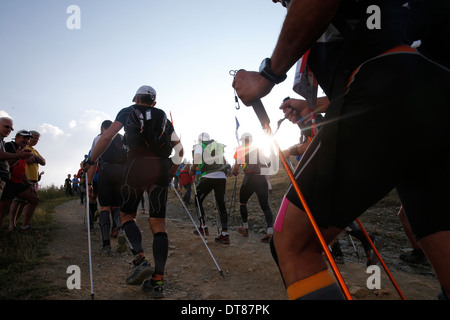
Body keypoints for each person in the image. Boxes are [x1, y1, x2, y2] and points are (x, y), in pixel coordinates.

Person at [232, 0, 450, 300]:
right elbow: (377, 55)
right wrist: (314, 106)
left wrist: (266, 76)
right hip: (429, 89)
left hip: (384, 90)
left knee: (293, 244)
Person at [82, 85, 183, 298]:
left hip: (136, 165)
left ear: (136, 98)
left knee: (127, 215)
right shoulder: (163, 116)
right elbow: (179, 149)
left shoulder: (128, 111)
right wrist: (172, 170)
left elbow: (107, 137)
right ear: (154, 102)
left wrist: (91, 160)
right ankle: (157, 282)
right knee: (158, 223)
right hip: (161, 167)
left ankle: (139, 258)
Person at [87, 120, 128, 256]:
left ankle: (106, 245)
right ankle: (121, 230)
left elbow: (94, 161)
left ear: (102, 128)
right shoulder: (122, 138)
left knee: (104, 208)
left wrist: (89, 182)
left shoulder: (100, 138)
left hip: (107, 171)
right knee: (116, 206)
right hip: (122, 174)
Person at [232, 133, 274, 243]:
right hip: (261, 179)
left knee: (243, 203)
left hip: (249, 179)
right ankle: (270, 232)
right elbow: (269, 163)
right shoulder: (258, 149)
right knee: (265, 206)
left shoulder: (241, 149)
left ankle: (245, 228)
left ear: (242, 140)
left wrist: (234, 172)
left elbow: (236, 166)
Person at [190, 132, 231, 244]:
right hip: (221, 177)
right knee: (221, 205)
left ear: (200, 140)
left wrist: (193, 170)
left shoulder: (199, 146)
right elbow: (225, 161)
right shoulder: (217, 146)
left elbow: (197, 158)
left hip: (208, 176)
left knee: (198, 200)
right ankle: (225, 234)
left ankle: (203, 226)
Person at [0, 130, 39, 232]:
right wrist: (19, 156)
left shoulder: (23, 150)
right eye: (24, 138)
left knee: (34, 199)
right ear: (16, 137)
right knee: (3, 209)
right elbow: (7, 165)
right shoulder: (9, 146)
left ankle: (25, 226)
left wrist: (29, 185)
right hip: (8, 182)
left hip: (19, 181)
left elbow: (21, 171)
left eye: (28, 139)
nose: (26, 140)